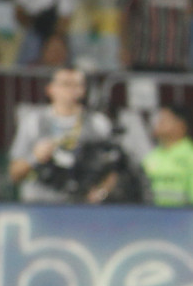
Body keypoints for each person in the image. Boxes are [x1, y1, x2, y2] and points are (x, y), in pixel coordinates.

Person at [7, 67, 118, 204]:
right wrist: (34, 157)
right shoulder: (34, 121)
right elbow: (14, 174)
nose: (71, 90)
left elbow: (114, 168)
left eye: (77, 85)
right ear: (50, 89)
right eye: (65, 84)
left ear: (83, 90)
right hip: (39, 204)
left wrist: (102, 192)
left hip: (82, 206)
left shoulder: (97, 123)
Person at [142, 103, 193, 207]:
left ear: (181, 125)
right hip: (151, 218)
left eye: (163, 120)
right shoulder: (150, 157)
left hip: (185, 219)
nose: (158, 123)